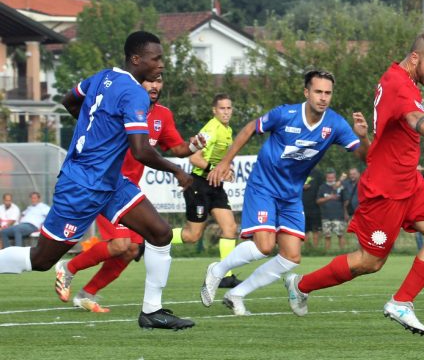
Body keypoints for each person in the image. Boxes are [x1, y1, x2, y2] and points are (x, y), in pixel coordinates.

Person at [0, 31, 201, 330]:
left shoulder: (102, 77)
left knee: (159, 233)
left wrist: (93, 128)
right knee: (42, 259)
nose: (161, 65)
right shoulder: (134, 93)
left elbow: (70, 100)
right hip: (81, 185)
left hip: (109, 182)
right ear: (136, 59)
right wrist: (178, 171)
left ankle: (152, 312)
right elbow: (141, 150)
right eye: (155, 58)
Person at [284, 30, 424, 335]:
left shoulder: (402, 80)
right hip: (386, 189)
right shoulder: (397, 83)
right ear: (416, 57)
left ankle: (402, 302)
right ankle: (300, 284)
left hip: (410, 181)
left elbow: (411, 117)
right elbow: (412, 118)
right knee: (370, 262)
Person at [200, 69, 370, 315]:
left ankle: (236, 293)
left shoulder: (334, 124)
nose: (323, 97)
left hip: (291, 195)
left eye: (328, 93)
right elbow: (250, 128)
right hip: (264, 186)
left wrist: (363, 137)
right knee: (265, 246)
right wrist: (225, 162)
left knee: (291, 257)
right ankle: (217, 270)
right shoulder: (285, 114)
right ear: (306, 92)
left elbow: (365, 157)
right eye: (318, 91)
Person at [54, 74, 201, 313]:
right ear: (139, 82)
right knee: (121, 244)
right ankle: (68, 268)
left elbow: (177, 148)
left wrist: (194, 145)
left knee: (132, 250)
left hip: (129, 188)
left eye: (160, 81)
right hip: (106, 182)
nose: (155, 86)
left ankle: (86, 294)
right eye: (150, 80)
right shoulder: (124, 103)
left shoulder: (163, 115)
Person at [171, 93, 242, 289]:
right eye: (222, 108)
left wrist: (226, 170)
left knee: (230, 229)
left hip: (215, 185)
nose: (226, 112)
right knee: (192, 236)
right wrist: (215, 169)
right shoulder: (211, 128)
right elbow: (194, 158)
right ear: (214, 110)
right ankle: (153, 238)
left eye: (229, 108)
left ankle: (225, 276)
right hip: (199, 185)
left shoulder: (227, 130)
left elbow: (220, 160)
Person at [316, 169, 347, 252]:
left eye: (332, 178)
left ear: (335, 177)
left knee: (340, 234)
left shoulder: (341, 187)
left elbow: (345, 201)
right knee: (327, 236)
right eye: (329, 178)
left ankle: (343, 252)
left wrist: (345, 213)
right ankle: (327, 253)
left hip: (338, 215)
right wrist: (329, 197)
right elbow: (318, 201)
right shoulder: (322, 187)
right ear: (326, 178)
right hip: (326, 216)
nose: (331, 179)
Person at [302, 168, 324, 248]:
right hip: (302, 206)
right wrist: (302, 186)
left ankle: (315, 249)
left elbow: (322, 187)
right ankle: (307, 249)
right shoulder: (299, 171)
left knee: (315, 229)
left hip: (315, 207)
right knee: (305, 230)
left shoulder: (317, 173)